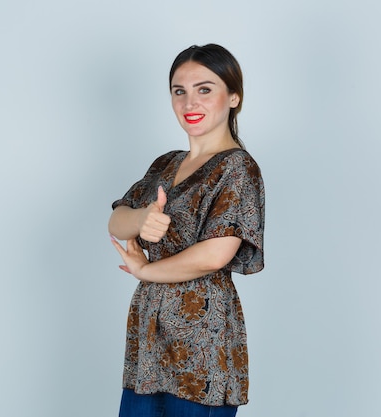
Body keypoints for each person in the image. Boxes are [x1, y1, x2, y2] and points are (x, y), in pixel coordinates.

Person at [108, 43, 265, 417]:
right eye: (180, 91)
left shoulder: (238, 169)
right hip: (149, 335)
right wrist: (144, 217)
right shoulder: (167, 162)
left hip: (202, 340)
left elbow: (215, 254)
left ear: (234, 97)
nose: (189, 103)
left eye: (204, 89)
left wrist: (145, 270)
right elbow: (117, 220)